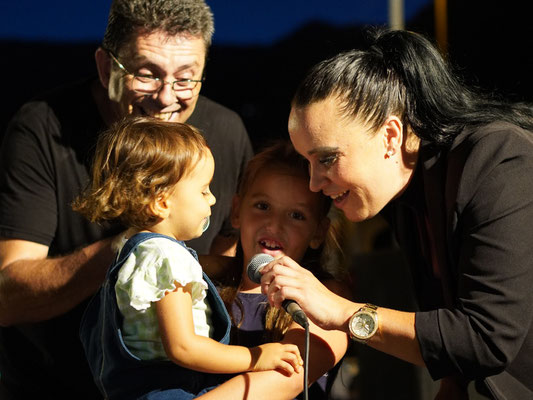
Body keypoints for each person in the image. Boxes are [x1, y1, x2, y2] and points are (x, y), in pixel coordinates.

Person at [260, 28, 533, 400]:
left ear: (391, 136)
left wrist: (341, 311)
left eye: (326, 158)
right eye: (308, 163)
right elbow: (452, 333)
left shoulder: (499, 158)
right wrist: (452, 386)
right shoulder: (406, 193)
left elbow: (486, 338)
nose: (313, 183)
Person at [0, 0, 252, 398]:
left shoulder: (226, 133)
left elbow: (224, 262)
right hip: (49, 385)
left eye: (186, 79)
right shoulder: (41, 129)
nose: (166, 98)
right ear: (105, 68)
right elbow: (7, 297)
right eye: (146, 74)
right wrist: (137, 245)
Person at [74, 117, 302, 399]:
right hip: (170, 389)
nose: (212, 200)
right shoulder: (168, 257)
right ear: (162, 202)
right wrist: (256, 357)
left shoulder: (133, 249)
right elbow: (183, 347)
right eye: (203, 190)